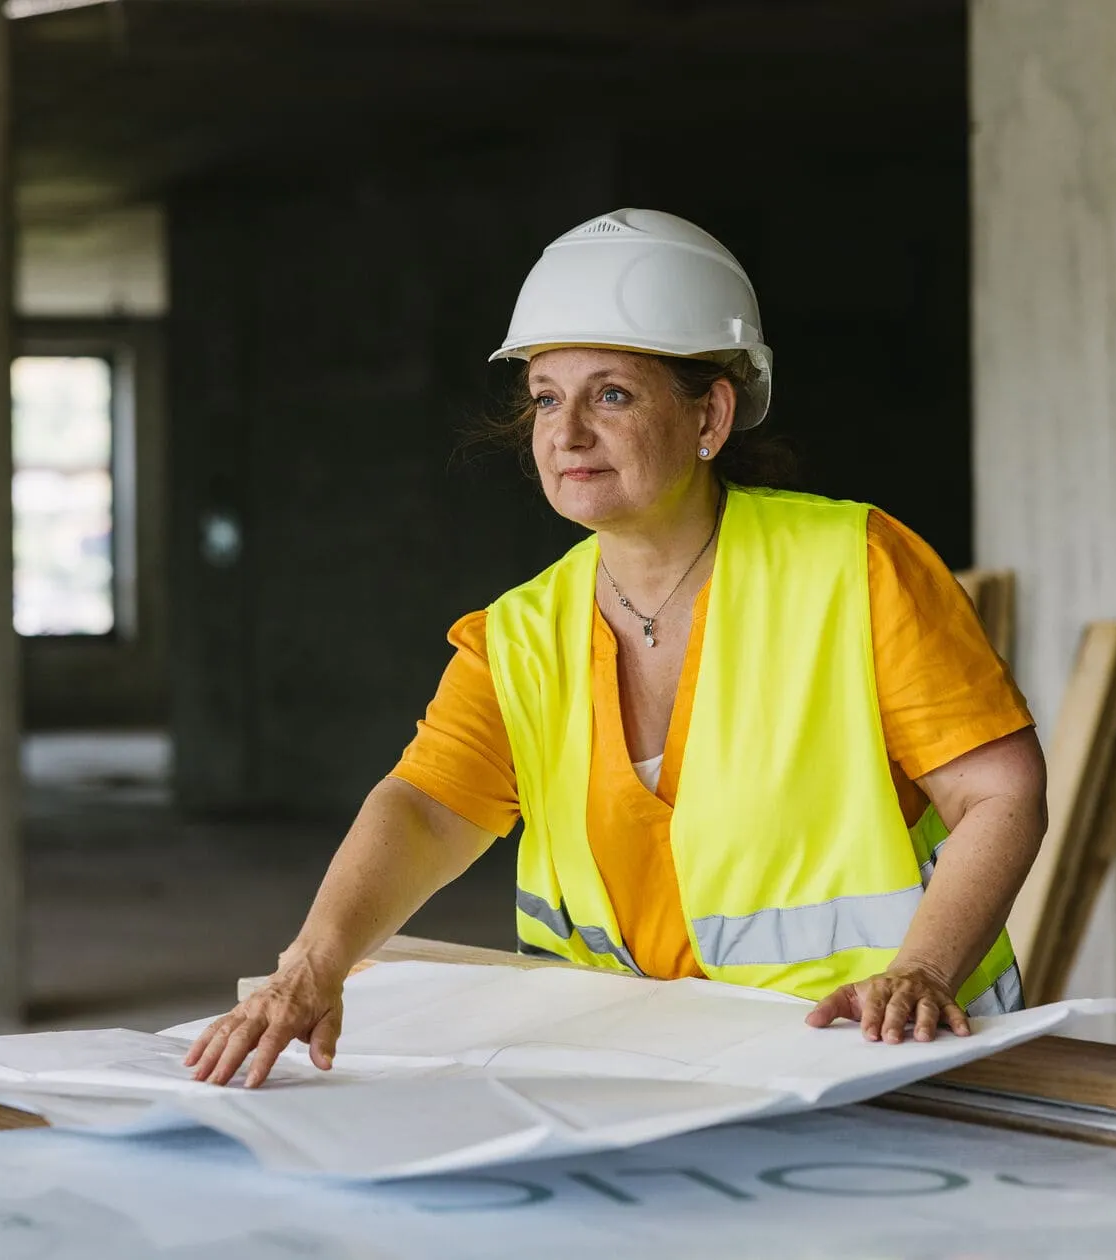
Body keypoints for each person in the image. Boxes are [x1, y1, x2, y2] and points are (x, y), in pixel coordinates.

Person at [186, 208, 1047, 1089]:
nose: (566, 435)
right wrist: (312, 963)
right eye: (546, 398)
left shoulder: (853, 566)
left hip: (877, 1064)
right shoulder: (524, 630)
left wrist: (922, 970)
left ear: (708, 413)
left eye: (611, 395)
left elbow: (999, 793)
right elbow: (426, 809)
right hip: (647, 1073)